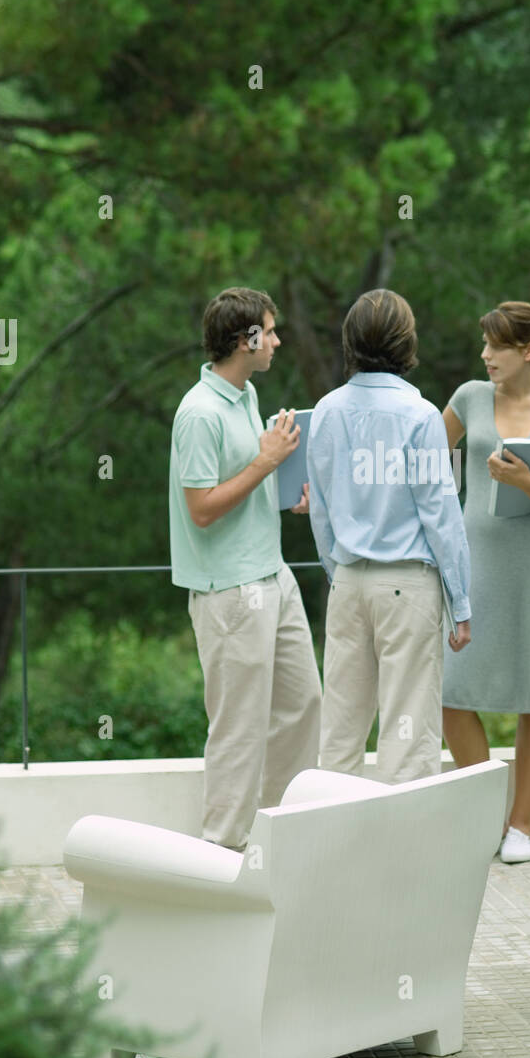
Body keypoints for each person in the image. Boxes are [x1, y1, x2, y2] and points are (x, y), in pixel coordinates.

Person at [169, 287, 321, 851]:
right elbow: (202, 509)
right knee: (237, 728)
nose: (277, 340)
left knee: (304, 706)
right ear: (246, 339)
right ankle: (221, 850)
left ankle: (276, 840)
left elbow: (245, 484)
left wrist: (284, 489)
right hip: (228, 591)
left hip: (272, 576)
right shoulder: (199, 413)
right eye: (270, 330)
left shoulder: (247, 396)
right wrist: (265, 461)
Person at [441, 301, 530, 864]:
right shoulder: (468, 398)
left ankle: (520, 826)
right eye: (483, 344)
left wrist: (526, 482)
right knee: (451, 693)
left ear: (528, 351)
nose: (485, 356)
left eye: (495, 347)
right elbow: (424, 458)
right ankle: (486, 815)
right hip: (474, 564)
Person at [307, 288, 472, 783]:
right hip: (407, 586)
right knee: (407, 734)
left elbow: (321, 511)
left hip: (350, 582)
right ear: (406, 342)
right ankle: (404, 858)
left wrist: (340, 573)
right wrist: (460, 603)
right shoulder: (421, 415)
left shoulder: (327, 411)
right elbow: (440, 514)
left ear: (350, 340)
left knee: (339, 732)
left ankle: (332, 853)